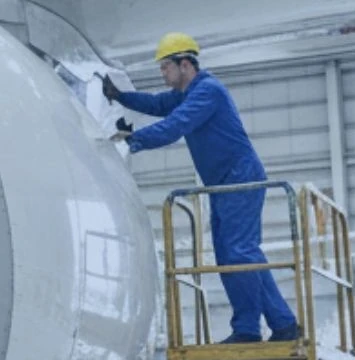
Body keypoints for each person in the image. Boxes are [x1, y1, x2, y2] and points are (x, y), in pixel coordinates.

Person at [108, 34, 299, 344]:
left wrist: (133, 141)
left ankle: (250, 329)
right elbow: (157, 104)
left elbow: (175, 125)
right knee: (235, 253)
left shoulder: (207, 91)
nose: (163, 73)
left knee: (239, 251)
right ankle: (280, 325)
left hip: (240, 177)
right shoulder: (186, 92)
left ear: (186, 64)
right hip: (223, 183)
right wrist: (119, 95)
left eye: (166, 66)